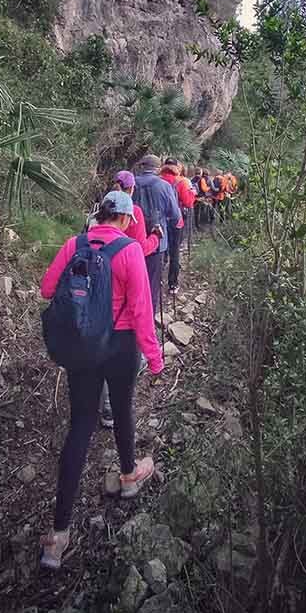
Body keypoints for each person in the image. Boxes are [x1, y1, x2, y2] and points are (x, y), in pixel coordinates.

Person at [39, 190, 163, 570]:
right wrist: (155, 360)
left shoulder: (73, 244)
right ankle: (128, 476)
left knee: (80, 426)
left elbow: (47, 289)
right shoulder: (129, 251)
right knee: (123, 411)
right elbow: (142, 312)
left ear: (100, 215)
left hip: (83, 346)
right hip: (121, 346)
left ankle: (58, 535)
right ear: (126, 219)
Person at [98, 170, 162, 428]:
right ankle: (112, 409)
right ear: (131, 188)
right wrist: (156, 238)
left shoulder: (96, 213)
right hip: (120, 304)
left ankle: (100, 406)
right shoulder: (130, 214)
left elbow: (49, 287)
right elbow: (140, 248)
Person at [133, 154, 181, 314]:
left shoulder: (132, 184)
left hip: (132, 240)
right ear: (158, 168)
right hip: (157, 242)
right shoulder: (164, 186)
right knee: (152, 285)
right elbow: (175, 215)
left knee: (133, 282)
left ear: (142, 166)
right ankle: (148, 322)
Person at [159, 158, 195, 294]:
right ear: (177, 167)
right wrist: (192, 194)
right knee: (175, 252)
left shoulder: (157, 180)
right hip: (176, 221)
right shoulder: (182, 181)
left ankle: (158, 279)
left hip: (159, 221)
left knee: (161, 250)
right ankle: (172, 284)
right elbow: (188, 203)